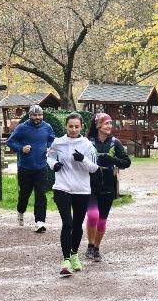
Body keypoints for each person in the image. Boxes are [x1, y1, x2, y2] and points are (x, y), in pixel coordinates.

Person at [46, 112, 98, 277]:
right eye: (70, 126)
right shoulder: (58, 142)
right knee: (67, 223)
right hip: (62, 187)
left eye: (76, 126)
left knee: (77, 224)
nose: (73, 129)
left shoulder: (87, 145)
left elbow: (94, 168)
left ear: (81, 127)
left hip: (81, 189)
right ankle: (66, 260)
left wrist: (82, 159)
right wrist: (54, 164)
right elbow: (49, 156)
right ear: (66, 126)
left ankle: (74, 253)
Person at [84, 112, 130, 262]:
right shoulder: (88, 141)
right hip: (90, 185)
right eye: (106, 123)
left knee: (102, 219)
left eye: (110, 123)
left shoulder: (114, 142)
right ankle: (90, 246)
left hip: (109, 186)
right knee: (92, 216)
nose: (109, 126)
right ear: (98, 125)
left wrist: (112, 159)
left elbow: (126, 162)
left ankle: (96, 248)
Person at [6, 105, 55, 232]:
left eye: (39, 115)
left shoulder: (47, 127)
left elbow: (52, 140)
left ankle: (40, 221)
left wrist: (49, 148)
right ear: (30, 116)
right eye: (35, 115)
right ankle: (20, 211)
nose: (37, 117)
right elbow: (10, 141)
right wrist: (21, 148)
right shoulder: (22, 127)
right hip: (25, 167)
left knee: (41, 194)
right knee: (24, 194)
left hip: (41, 167)